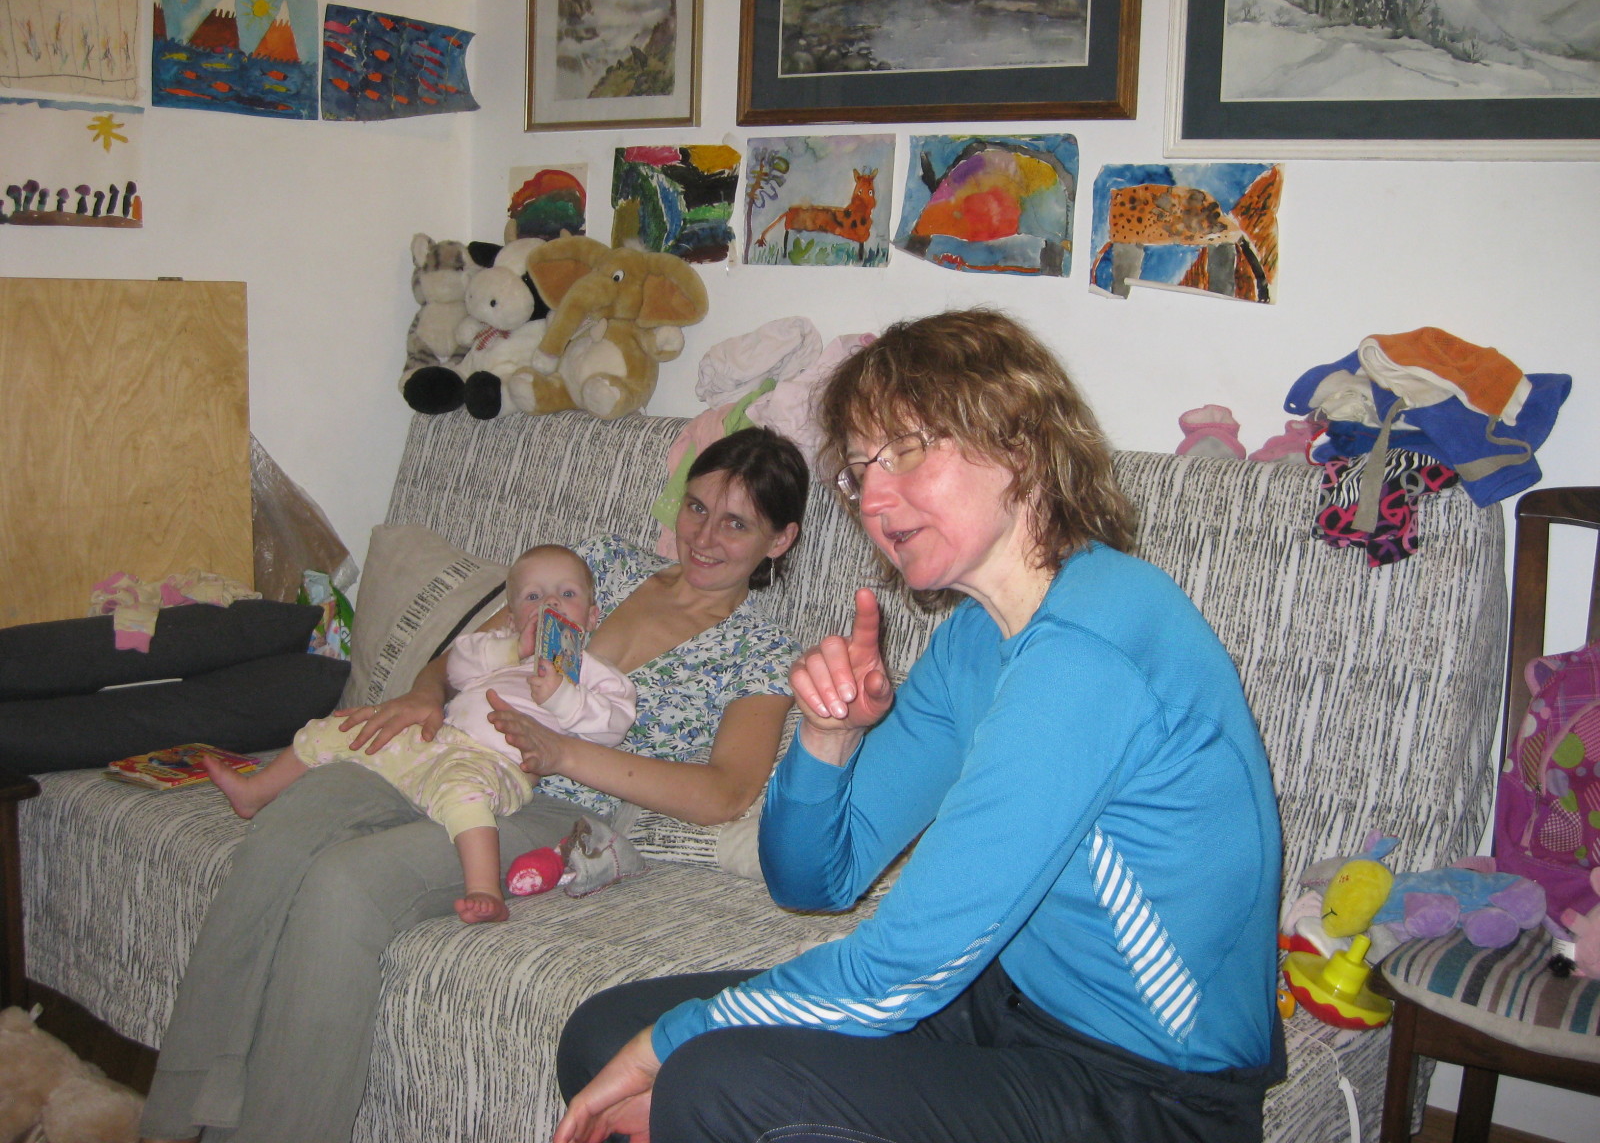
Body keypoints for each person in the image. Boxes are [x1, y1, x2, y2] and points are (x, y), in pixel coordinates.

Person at [555, 309, 1285, 1143]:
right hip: (1006, 1009)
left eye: (904, 451)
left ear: (1019, 443)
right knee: (603, 1034)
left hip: (1152, 1085)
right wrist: (827, 742)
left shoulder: (1092, 645)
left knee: (711, 1078)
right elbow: (812, 882)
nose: (872, 499)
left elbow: (904, 964)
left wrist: (674, 1041)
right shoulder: (976, 638)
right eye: (858, 469)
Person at [137, 426, 809, 1143]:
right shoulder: (599, 566)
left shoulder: (759, 650)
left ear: (780, 540)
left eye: (736, 523)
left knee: (347, 884)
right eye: (697, 507)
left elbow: (723, 794)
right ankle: (178, 1115)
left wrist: (564, 754)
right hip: (443, 749)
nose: (703, 536)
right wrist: (422, 695)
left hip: (550, 805)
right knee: (284, 829)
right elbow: (462, 654)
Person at [201, 543, 637, 925]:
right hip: (440, 740)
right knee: (342, 728)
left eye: (567, 594)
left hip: (499, 766)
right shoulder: (500, 653)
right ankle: (256, 792)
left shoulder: (591, 673)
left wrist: (562, 697)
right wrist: (511, 648)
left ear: (591, 617)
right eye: (533, 597)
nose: (550, 604)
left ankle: (484, 889)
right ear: (511, 616)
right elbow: (456, 667)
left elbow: (613, 725)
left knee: (464, 796)